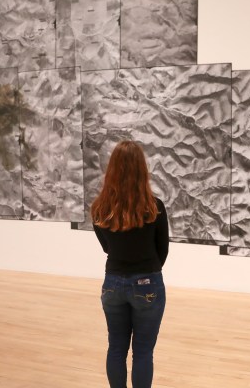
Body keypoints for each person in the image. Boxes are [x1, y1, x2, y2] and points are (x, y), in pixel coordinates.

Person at [91, 140, 169, 388]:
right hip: (148, 282)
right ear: (142, 170)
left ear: (112, 169)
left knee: (116, 347)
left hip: (112, 283)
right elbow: (162, 251)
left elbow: (107, 247)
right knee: (143, 352)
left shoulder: (100, 208)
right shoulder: (154, 207)